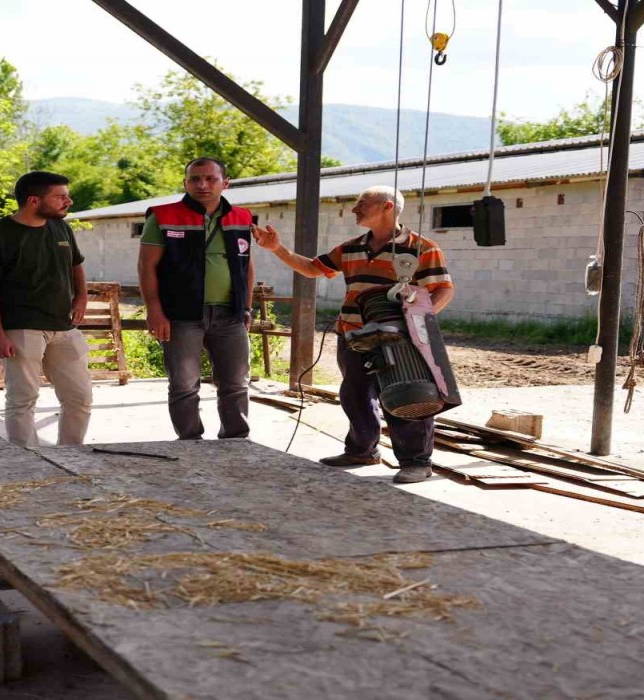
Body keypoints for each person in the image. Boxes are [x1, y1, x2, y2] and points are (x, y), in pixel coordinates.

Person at [251, 185, 454, 484]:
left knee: (407, 396)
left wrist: (418, 326)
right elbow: (311, 269)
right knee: (354, 395)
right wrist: (277, 249)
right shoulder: (351, 248)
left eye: (362, 204)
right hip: (354, 335)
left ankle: (417, 462)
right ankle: (363, 450)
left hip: (401, 340)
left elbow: (444, 289)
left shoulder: (422, 247)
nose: (354, 209)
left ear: (387, 207)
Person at [0, 171, 93, 448]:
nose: (68, 201)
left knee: (80, 398)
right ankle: (27, 461)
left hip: (64, 326)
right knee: (22, 399)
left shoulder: (61, 228)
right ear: (34, 200)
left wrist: (81, 297)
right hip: (21, 327)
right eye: (60, 196)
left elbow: (76, 265)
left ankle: (71, 455)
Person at [137, 157, 255, 440]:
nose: (202, 185)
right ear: (185, 182)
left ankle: (236, 440)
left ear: (225, 183)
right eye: (194, 179)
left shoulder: (242, 217)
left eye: (210, 179)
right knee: (184, 384)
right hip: (181, 314)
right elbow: (146, 266)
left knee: (236, 383)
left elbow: (246, 265)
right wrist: (155, 311)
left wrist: (247, 307)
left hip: (230, 314)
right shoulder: (163, 216)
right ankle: (191, 442)